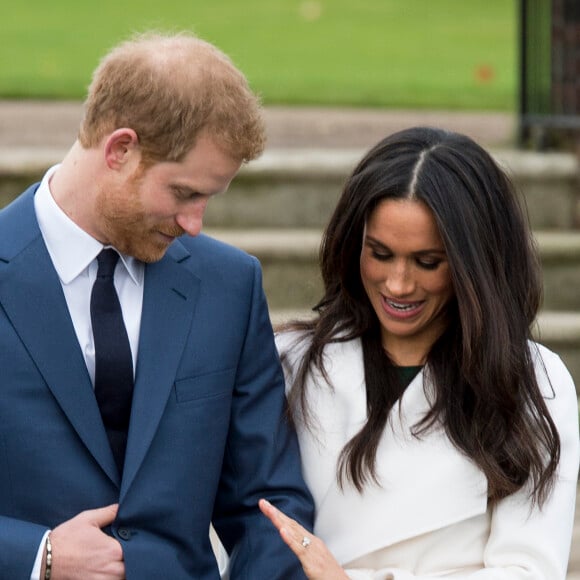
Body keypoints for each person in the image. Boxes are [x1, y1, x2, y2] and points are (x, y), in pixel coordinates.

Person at [0, 32, 314, 579]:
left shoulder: (230, 285)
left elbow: (269, 505)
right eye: (185, 194)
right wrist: (37, 555)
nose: (196, 224)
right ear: (120, 149)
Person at [259, 127, 580, 579]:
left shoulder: (533, 383)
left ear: (475, 264)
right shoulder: (290, 363)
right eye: (380, 254)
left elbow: (528, 571)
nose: (398, 284)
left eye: (428, 262)